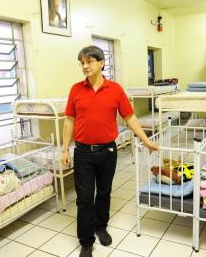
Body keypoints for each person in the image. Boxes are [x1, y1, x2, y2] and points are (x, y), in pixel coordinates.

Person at [61, 46, 158, 257]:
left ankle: (100, 226)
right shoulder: (76, 89)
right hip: (84, 152)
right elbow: (69, 120)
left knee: (104, 192)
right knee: (85, 198)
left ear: (102, 63)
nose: (85, 66)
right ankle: (86, 242)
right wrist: (64, 149)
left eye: (89, 62)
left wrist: (146, 140)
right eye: (82, 63)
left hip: (108, 150)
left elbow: (129, 117)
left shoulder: (115, 89)